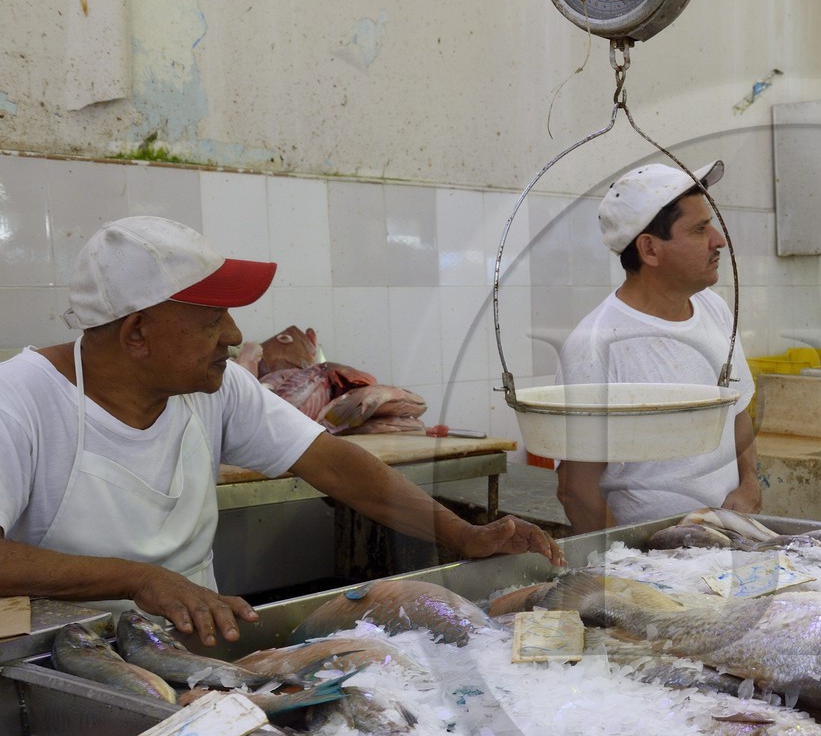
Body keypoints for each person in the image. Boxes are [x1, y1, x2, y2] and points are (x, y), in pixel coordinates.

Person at [0, 216, 564, 646]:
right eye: (210, 319)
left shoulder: (216, 388)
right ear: (137, 334)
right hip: (68, 655)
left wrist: (461, 535)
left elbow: (335, 464)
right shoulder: (19, 400)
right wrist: (137, 580)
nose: (234, 333)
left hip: (200, 645)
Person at [556, 160, 759, 533]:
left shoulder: (714, 309)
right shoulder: (596, 344)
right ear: (649, 249)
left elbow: (739, 412)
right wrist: (629, 561)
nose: (719, 240)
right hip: (652, 547)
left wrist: (749, 483)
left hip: (729, 536)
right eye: (700, 230)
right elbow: (575, 488)